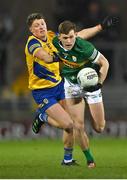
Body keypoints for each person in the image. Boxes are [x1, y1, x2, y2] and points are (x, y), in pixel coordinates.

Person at [27, 13, 117, 167]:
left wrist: (101, 27)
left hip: (60, 85)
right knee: (72, 125)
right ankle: (43, 117)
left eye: (42, 23)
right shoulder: (32, 43)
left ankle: (67, 160)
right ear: (31, 30)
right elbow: (44, 56)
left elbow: (79, 35)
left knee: (95, 127)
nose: (41, 27)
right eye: (36, 25)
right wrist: (57, 57)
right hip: (44, 91)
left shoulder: (53, 37)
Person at [52, 20, 109, 168]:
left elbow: (105, 63)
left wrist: (99, 84)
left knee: (100, 128)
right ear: (59, 37)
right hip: (72, 86)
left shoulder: (84, 47)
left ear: (75, 35)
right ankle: (90, 159)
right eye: (65, 38)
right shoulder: (54, 42)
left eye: (71, 37)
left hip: (91, 84)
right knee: (78, 125)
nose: (69, 41)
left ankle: (90, 111)